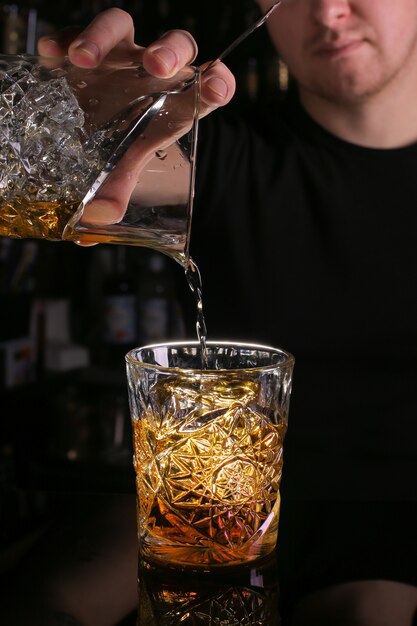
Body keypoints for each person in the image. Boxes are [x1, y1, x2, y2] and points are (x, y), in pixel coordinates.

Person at [37, 2, 417, 624]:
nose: (327, 10)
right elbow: (104, 184)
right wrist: (92, 117)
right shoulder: (227, 152)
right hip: (208, 493)